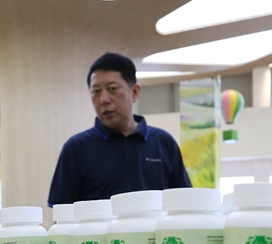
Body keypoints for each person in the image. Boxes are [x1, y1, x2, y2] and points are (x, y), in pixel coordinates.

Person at [47, 52, 191, 206]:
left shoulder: (163, 142)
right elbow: (61, 214)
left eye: (112, 89)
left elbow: (183, 202)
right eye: (96, 91)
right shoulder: (76, 148)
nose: (104, 99)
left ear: (134, 92)